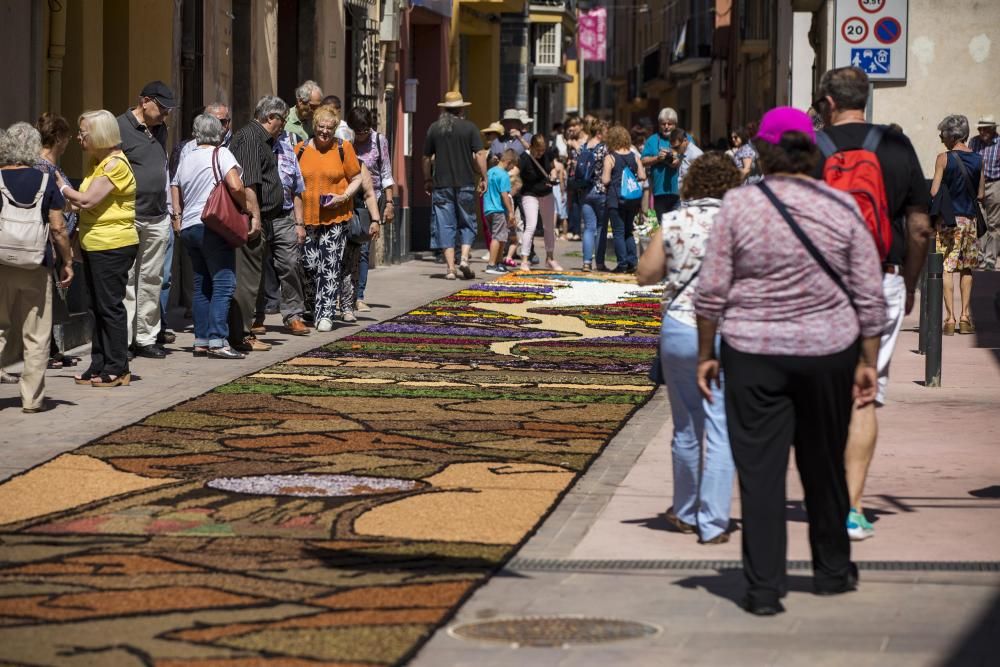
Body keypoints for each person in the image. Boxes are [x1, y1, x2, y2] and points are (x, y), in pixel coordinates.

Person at [694, 107, 886, 615]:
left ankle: (762, 590)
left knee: (760, 474)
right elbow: (869, 294)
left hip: (753, 352)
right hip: (829, 353)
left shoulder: (737, 206)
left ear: (762, 151)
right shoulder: (841, 207)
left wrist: (705, 353)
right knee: (823, 465)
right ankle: (831, 571)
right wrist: (867, 359)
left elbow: (711, 290)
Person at [813, 66, 933, 541]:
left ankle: (823, 495)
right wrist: (911, 282)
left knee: (822, 394)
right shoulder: (898, 147)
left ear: (827, 102)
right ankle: (854, 507)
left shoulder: (811, 147)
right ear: (868, 98)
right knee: (865, 395)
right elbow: (921, 227)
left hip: (819, 285)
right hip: (879, 279)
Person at [637, 153, 742, 544]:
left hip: (680, 325)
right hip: (729, 327)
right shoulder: (738, 221)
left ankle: (684, 510)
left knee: (685, 425)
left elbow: (645, 274)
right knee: (720, 425)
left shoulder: (676, 220)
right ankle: (713, 521)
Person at [57, 110, 139, 388]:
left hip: (113, 244)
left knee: (110, 306)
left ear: (101, 134)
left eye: (84, 132)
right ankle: (99, 363)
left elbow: (88, 200)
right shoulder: (97, 162)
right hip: (95, 243)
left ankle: (118, 367)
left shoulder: (116, 164)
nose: (79, 137)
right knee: (95, 307)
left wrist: (62, 187)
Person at [0, 123, 74, 411]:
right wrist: (66, 262)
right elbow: (58, 229)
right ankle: (31, 399)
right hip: (36, 263)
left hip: (1, 263)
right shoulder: (45, 181)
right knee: (37, 333)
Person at [169, 114, 248, 359]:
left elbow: (174, 186)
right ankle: (218, 340)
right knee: (224, 282)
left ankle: (201, 340)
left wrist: (178, 217)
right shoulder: (222, 154)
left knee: (201, 284)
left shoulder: (188, 157)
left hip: (190, 226)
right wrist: (245, 207)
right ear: (220, 134)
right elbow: (235, 186)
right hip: (213, 225)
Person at [296, 105, 380, 332]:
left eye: (329, 128)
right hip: (308, 218)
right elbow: (294, 187)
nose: (325, 132)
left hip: (336, 218)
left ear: (335, 129)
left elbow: (357, 179)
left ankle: (325, 314)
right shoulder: (301, 149)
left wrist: (343, 197)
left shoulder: (343, 148)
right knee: (309, 264)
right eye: (321, 127)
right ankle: (313, 306)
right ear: (315, 127)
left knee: (330, 265)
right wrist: (297, 221)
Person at [117, 80, 174, 360]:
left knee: (152, 279)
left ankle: (146, 337)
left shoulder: (161, 129)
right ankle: (125, 341)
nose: (165, 115)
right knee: (127, 280)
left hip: (157, 216)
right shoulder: (120, 127)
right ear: (145, 101)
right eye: (162, 109)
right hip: (129, 215)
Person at [227, 96, 286, 352]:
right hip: (251, 219)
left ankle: (244, 330)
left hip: (260, 218)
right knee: (248, 279)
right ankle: (242, 334)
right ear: (270, 117)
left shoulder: (258, 138)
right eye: (281, 120)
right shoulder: (251, 138)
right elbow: (249, 182)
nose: (283, 125)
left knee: (253, 277)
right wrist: (256, 217)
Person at [248, 117, 311, 337]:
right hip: (259, 216)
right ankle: (256, 316)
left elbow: (298, 189)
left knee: (290, 263)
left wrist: (300, 223)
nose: (283, 125)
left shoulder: (288, 150)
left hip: (284, 217)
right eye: (280, 120)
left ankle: (293, 315)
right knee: (256, 269)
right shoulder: (251, 146)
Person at [422, 91, 487, 280]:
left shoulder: (434, 129)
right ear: (461, 109)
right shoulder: (470, 128)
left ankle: (450, 268)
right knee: (467, 222)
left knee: (445, 225)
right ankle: (465, 258)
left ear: (444, 109)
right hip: (465, 182)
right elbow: (480, 155)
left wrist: (427, 179)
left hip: (441, 185)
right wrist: (484, 177)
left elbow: (426, 158)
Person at [930, 114, 984, 335]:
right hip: (970, 220)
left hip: (949, 221)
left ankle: (950, 318)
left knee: (946, 268)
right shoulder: (979, 159)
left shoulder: (943, 158)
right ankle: (964, 317)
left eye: (942, 133)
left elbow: (934, 191)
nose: (941, 137)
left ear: (952, 136)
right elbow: (980, 194)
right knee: (966, 268)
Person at [34, 113, 79, 369]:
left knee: (45, 300)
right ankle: (47, 351)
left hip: (45, 242)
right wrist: (67, 258)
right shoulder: (45, 168)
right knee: (43, 301)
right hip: (46, 242)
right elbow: (56, 220)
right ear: (59, 138)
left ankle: (51, 349)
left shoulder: (40, 166)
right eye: (67, 136)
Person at [347, 106, 395, 312]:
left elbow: (386, 173)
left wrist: (390, 203)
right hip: (348, 198)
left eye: (364, 131)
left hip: (370, 200)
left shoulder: (378, 141)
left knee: (364, 249)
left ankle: (358, 296)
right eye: (357, 131)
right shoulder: (345, 140)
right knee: (346, 248)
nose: (361, 136)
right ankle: (344, 293)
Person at [602, 125, 646, 274]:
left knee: (618, 232)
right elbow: (642, 176)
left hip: (616, 199)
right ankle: (633, 263)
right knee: (628, 231)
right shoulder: (634, 156)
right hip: (632, 200)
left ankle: (622, 264)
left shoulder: (610, 157)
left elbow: (605, 180)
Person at [518, 134, 564, 273]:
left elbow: (552, 167)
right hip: (530, 193)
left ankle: (550, 258)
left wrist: (553, 175)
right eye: (538, 150)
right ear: (531, 147)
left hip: (546, 192)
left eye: (542, 150)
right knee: (531, 226)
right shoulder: (524, 158)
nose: (540, 153)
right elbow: (517, 175)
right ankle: (525, 260)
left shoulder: (547, 154)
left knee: (549, 226)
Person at [969, 115, 1000, 270]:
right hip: (976, 184)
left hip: (995, 183)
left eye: (985, 128)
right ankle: (979, 256)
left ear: (993, 128)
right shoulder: (974, 142)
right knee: (979, 221)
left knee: (994, 223)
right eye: (980, 128)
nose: (982, 131)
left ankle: (990, 259)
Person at [579, 119, 609, 272]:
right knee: (601, 227)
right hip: (601, 190)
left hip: (585, 191)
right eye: (605, 132)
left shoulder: (582, 147)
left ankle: (586, 262)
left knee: (588, 228)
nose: (607, 134)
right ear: (599, 133)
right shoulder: (604, 149)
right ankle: (600, 263)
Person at [642, 108, 682, 218]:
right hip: (659, 191)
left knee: (678, 227)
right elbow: (643, 161)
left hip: (680, 192)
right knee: (662, 227)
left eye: (670, 124)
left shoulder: (684, 138)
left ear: (675, 124)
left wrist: (677, 158)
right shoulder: (652, 140)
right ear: (659, 125)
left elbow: (692, 157)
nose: (666, 126)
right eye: (663, 124)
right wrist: (658, 158)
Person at [483, 149, 517, 275]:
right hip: (498, 209)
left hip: (488, 209)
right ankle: (491, 264)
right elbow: (505, 195)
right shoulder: (503, 175)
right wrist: (511, 212)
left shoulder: (490, 171)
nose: (512, 169)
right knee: (498, 237)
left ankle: (499, 263)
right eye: (513, 166)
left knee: (501, 237)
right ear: (508, 162)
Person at [285, 80, 322, 145]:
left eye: (318, 106)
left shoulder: (319, 121)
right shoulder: (285, 119)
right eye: (313, 106)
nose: (316, 110)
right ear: (300, 102)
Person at [669, 127, 704, 192]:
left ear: (685, 140)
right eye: (673, 147)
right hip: (683, 196)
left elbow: (702, 178)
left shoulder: (695, 154)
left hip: (693, 198)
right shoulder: (682, 152)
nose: (675, 150)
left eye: (677, 147)